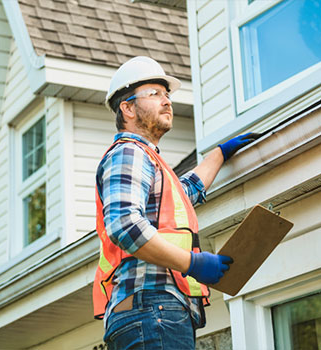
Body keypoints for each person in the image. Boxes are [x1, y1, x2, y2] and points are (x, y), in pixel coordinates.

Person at [92, 56, 259, 350]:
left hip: (154, 311)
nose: (166, 101)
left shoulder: (150, 161)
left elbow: (185, 192)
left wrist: (219, 154)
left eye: (167, 94)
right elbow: (125, 225)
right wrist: (193, 263)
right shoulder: (129, 152)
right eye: (154, 94)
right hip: (152, 307)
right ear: (127, 108)